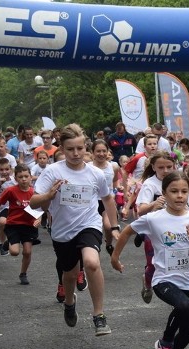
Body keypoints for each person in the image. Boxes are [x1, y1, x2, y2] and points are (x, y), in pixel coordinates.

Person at [111, 171, 189, 349]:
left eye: (184, 192)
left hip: (187, 282)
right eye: (174, 191)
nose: (179, 196)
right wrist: (114, 257)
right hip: (163, 280)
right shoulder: (154, 219)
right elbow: (127, 231)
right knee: (183, 306)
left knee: (188, 332)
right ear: (164, 194)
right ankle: (165, 342)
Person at [31, 123, 121, 336]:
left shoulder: (95, 173)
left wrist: (114, 226)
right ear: (62, 149)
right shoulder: (52, 172)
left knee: (91, 262)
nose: (75, 153)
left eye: (80, 148)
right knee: (70, 274)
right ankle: (70, 303)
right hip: (62, 230)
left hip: (88, 224)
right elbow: (34, 202)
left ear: (86, 148)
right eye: (70, 149)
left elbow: (107, 198)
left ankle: (99, 315)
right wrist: (49, 196)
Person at [135, 151, 178, 303]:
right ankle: (148, 283)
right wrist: (154, 203)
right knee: (153, 264)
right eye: (161, 167)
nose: (165, 171)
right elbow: (141, 210)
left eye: (169, 167)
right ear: (153, 167)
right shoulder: (150, 184)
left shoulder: (177, 181)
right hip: (153, 230)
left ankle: (176, 293)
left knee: (174, 261)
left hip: (174, 228)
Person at [0, 164, 40, 284]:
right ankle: (7, 243)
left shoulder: (35, 192)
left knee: (27, 251)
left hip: (29, 225)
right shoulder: (11, 190)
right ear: (15, 178)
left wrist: (39, 219)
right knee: (14, 252)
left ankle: (23, 273)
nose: (23, 179)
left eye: (26, 176)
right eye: (20, 177)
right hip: (14, 225)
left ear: (30, 177)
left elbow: (40, 208)